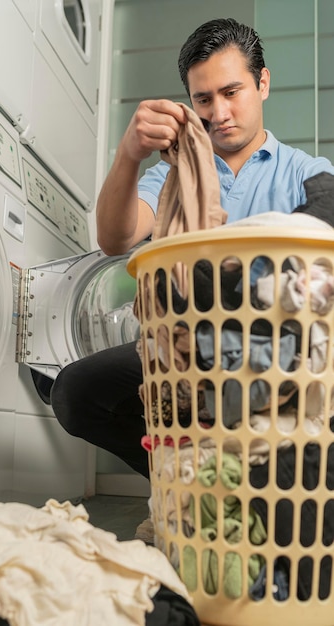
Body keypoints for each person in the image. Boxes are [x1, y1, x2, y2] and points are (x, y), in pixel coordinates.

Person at [51, 18, 334, 485]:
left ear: (262, 84)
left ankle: (261, 484)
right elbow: (114, 240)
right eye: (203, 99)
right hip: (182, 347)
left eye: (231, 92)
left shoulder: (305, 173)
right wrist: (129, 153)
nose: (218, 112)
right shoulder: (176, 171)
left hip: (273, 350)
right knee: (75, 394)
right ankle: (189, 482)